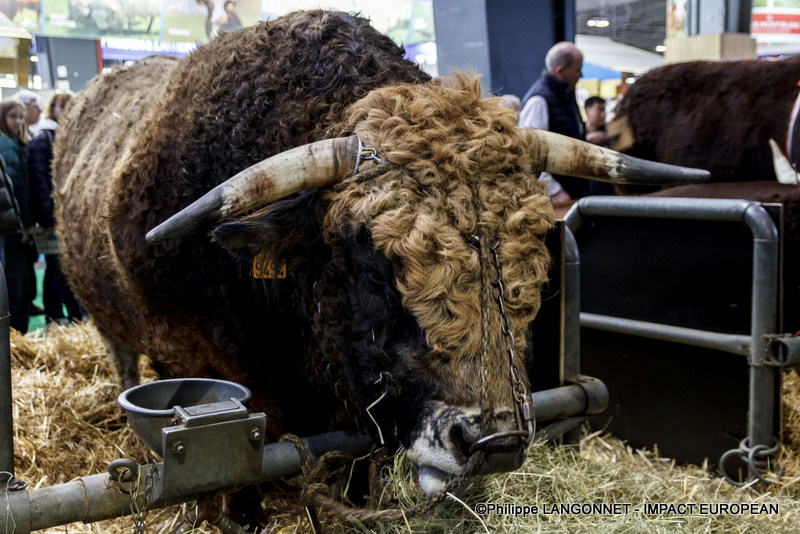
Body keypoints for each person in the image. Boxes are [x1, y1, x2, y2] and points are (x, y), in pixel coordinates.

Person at [28, 93, 83, 326]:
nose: (67, 110)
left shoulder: (72, 134)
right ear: (53, 109)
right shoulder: (43, 138)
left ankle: (75, 316)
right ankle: (55, 316)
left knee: (71, 266)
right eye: (63, 106)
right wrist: (48, 216)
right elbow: (39, 180)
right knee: (55, 268)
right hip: (55, 216)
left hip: (72, 215)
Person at [520, 41, 600, 201]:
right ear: (560, 70)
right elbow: (527, 155)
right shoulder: (539, 101)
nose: (581, 75)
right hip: (556, 201)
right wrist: (555, 191)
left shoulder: (566, 95)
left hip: (572, 191)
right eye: (578, 70)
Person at [0, 99, 33, 332]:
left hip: (12, 223)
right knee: (14, 283)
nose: (18, 122)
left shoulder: (14, 143)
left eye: (21, 117)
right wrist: (24, 224)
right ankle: (16, 333)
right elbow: (16, 189)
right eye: (13, 116)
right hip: (11, 226)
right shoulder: (8, 147)